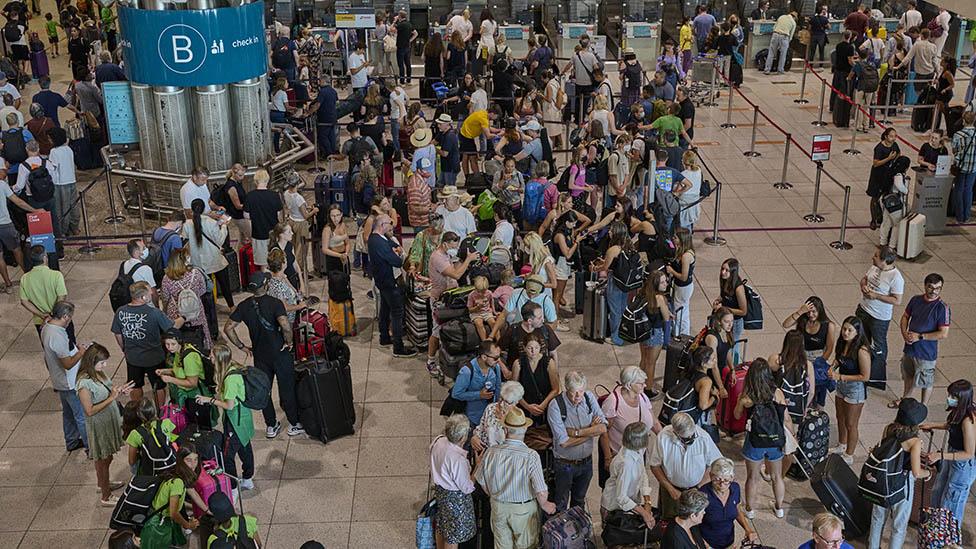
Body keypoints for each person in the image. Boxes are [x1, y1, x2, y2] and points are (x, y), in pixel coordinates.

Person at [224, 272, 303, 438]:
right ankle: (294, 424)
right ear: (266, 285)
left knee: (263, 389)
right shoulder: (275, 303)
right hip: (280, 354)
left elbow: (228, 328)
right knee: (287, 389)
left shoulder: (244, 305)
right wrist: (288, 342)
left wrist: (242, 346)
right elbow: (285, 326)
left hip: (260, 355)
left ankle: (271, 425)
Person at [474, 406, 556, 548]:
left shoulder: (490, 452)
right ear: (524, 429)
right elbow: (541, 490)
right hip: (523, 511)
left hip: (498, 507)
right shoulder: (531, 456)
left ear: (505, 430)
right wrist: (545, 505)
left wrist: (494, 495)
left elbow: (481, 480)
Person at [866, 398, 931, 549]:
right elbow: (915, 472)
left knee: (877, 519)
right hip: (902, 485)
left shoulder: (888, 428)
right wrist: (927, 473)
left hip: (883, 480)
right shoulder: (914, 442)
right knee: (898, 526)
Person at [734, 357, 790, 518]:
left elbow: (737, 416)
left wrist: (740, 402)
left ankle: (750, 510)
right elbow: (786, 418)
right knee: (776, 476)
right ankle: (779, 508)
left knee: (752, 477)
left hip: (754, 441)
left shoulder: (747, 397)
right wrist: (791, 436)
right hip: (774, 439)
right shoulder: (777, 392)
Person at [112, 281, 183, 405]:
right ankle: (160, 412)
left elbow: (118, 335)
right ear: (143, 297)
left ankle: (138, 410)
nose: (152, 293)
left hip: (133, 357)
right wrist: (184, 317)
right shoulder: (154, 313)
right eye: (150, 292)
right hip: (154, 357)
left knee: (134, 384)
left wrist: (125, 349)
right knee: (159, 386)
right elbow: (171, 328)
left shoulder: (121, 312)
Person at [76, 343, 129, 506]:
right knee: (103, 458)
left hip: (108, 419)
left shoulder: (98, 373)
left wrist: (118, 390)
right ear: (91, 362)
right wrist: (111, 398)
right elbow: (89, 410)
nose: (105, 365)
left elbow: (109, 388)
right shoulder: (84, 383)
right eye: (102, 362)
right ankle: (106, 495)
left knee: (107, 457)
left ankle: (103, 483)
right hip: (99, 424)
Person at [197, 343, 255, 492]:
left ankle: (233, 488)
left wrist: (208, 400)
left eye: (212, 356)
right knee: (245, 447)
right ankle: (248, 479)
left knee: (227, 455)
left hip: (235, 421)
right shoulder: (234, 367)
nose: (210, 358)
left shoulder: (230, 380)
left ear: (219, 360)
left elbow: (229, 405)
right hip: (244, 417)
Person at [546, 370, 606, 511]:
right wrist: (591, 430)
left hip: (586, 463)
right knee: (561, 502)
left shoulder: (589, 398)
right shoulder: (556, 406)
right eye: (574, 392)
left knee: (579, 502)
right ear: (567, 388)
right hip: (565, 464)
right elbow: (564, 442)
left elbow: (603, 427)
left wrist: (577, 432)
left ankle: (577, 531)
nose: (578, 396)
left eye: (581, 391)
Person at [921, 380, 976, 533]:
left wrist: (940, 455)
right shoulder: (958, 411)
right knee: (938, 491)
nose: (949, 398)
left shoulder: (968, 420)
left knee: (951, 503)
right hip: (952, 455)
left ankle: (948, 536)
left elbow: (968, 453)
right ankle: (936, 530)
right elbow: (952, 425)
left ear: (963, 398)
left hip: (962, 465)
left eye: (954, 396)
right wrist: (933, 425)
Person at [650, 412, 723, 519]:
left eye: (692, 436)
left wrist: (699, 487)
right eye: (686, 439)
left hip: (698, 488)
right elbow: (655, 466)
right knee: (670, 521)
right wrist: (671, 489)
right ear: (675, 432)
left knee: (696, 520)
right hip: (671, 489)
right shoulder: (663, 437)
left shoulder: (703, 437)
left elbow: (715, 464)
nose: (691, 439)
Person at [894, 273, 951, 409]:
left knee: (926, 381)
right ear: (925, 286)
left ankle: (923, 406)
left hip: (926, 352)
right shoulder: (916, 300)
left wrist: (919, 337)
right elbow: (905, 317)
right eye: (931, 287)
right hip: (910, 348)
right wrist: (904, 333)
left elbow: (943, 333)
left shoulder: (942, 308)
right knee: (908, 375)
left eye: (938, 288)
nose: (934, 291)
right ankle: (905, 399)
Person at [599, 366, 660, 487]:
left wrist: (664, 438)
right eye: (640, 383)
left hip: (638, 455)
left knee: (635, 487)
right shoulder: (613, 402)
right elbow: (604, 432)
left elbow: (654, 422)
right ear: (629, 384)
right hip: (618, 457)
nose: (644, 385)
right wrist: (607, 458)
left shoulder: (642, 397)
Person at [40, 300, 87, 453]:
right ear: (65, 316)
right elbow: (67, 363)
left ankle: (71, 440)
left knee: (68, 413)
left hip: (58, 380)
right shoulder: (57, 335)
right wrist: (81, 352)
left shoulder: (46, 327)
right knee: (81, 414)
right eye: (70, 317)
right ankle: (90, 447)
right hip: (68, 382)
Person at [367, 214, 416, 357]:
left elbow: (392, 246)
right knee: (397, 312)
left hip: (382, 281)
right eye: (390, 223)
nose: (392, 225)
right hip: (389, 282)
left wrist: (396, 248)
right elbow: (397, 261)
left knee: (385, 308)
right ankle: (398, 347)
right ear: (382, 225)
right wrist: (398, 254)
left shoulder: (375, 238)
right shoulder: (379, 243)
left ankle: (384, 337)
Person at [856, 246, 904, 390]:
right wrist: (864, 286)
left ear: (885, 261)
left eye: (876, 256)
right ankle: (860, 367)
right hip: (864, 310)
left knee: (878, 346)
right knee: (860, 339)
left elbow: (897, 300)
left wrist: (876, 296)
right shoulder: (874, 268)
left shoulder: (896, 278)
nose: (873, 257)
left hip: (879, 317)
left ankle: (876, 378)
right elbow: (864, 279)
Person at [829, 316, 872, 464]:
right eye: (844, 329)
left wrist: (840, 376)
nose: (846, 333)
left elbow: (865, 376)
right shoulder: (842, 344)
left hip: (855, 389)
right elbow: (838, 359)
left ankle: (849, 454)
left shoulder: (862, 351)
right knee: (840, 417)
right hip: (842, 384)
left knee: (851, 423)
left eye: (850, 330)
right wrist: (832, 368)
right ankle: (842, 444)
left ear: (857, 333)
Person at [430, 414, 477, 549]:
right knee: (453, 535)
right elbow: (467, 487)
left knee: (442, 526)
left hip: (441, 493)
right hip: (455, 499)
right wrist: (477, 467)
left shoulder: (438, 441)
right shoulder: (457, 459)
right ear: (462, 437)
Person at [139, 445, 201, 547]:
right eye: (189, 460)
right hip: (159, 523)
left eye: (196, 459)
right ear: (181, 461)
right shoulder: (178, 483)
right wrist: (188, 525)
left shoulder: (176, 471)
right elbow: (174, 513)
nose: (193, 464)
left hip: (159, 515)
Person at [600, 420, 655, 528]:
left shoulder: (637, 450)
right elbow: (621, 497)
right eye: (647, 435)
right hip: (614, 509)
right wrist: (644, 513)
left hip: (630, 505)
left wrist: (647, 501)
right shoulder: (626, 464)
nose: (649, 437)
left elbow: (643, 473)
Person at [183, 198, 234, 312]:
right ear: (203, 208)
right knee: (224, 284)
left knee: (205, 288)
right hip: (215, 260)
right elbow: (220, 241)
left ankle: (209, 309)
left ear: (191, 209)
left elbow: (186, 243)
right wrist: (224, 226)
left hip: (198, 263)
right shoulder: (210, 222)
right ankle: (231, 306)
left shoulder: (187, 224)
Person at [159, 248, 212, 349]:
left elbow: (165, 297)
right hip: (195, 310)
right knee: (200, 334)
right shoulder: (195, 273)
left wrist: (165, 309)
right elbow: (203, 290)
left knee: (178, 336)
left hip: (176, 313)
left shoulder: (167, 278)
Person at [700, 457, 758, 548]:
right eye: (717, 480)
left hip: (728, 541)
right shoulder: (702, 494)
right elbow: (693, 524)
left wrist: (748, 529)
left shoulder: (735, 488)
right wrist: (705, 545)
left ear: (732, 477)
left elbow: (737, 508)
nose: (722, 484)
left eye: (726, 480)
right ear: (711, 476)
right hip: (708, 543)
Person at [20, 245, 67, 337]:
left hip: (40, 321)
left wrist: (42, 315)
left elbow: (24, 301)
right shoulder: (56, 275)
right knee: (68, 347)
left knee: (48, 346)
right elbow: (62, 297)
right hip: (59, 319)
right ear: (45, 258)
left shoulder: (25, 278)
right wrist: (53, 315)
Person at [244, 169, 282, 271]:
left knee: (263, 264)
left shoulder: (250, 196)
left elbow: (247, 217)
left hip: (258, 234)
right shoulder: (274, 195)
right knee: (276, 261)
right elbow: (279, 216)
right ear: (267, 180)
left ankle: (266, 284)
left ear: (255, 181)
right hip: (274, 233)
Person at [472, 381, 524, 452]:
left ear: (516, 402)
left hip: (503, 456)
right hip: (486, 452)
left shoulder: (518, 416)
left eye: (507, 402)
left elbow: (514, 443)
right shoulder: (490, 408)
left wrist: (503, 420)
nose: (502, 404)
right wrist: (475, 437)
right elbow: (480, 428)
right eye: (501, 399)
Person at [879, 156, 911, 248]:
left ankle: (882, 242)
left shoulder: (890, 171)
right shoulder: (898, 175)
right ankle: (892, 245)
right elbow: (900, 186)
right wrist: (907, 191)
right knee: (897, 225)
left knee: (886, 223)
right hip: (895, 203)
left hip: (886, 200)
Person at [712, 258, 748, 342]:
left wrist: (724, 309)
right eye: (722, 269)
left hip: (734, 321)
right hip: (724, 317)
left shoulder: (738, 289)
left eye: (726, 270)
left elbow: (743, 311)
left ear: (733, 272)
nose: (723, 272)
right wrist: (718, 300)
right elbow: (724, 295)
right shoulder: (724, 280)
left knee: (733, 346)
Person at [214, 163, 250, 244]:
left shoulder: (237, 182)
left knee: (243, 238)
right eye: (240, 175)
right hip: (238, 216)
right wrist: (251, 205)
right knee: (250, 236)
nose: (242, 177)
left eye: (243, 175)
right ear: (234, 173)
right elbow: (237, 206)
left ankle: (242, 254)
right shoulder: (231, 186)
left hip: (240, 214)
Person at [950, 111, 976, 223]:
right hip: (974, 167)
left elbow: (954, 150)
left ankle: (959, 217)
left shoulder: (958, 135)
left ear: (963, 121)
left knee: (958, 190)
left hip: (960, 166)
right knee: (969, 190)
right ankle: (967, 216)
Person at [320, 205, 351, 275]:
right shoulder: (327, 229)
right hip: (333, 258)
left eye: (337, 215)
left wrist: (346, 253)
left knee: (346, 280)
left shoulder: (343, 225)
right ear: (329, 216)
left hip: (344, 256)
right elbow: (324, 249)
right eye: (333, 216)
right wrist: (339, 255)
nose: (335, 218)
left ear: (341, 214)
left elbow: (347, 243)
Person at [394, 10, 418, 85]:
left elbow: (391, 29)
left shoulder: (400, 25)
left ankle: (402, 82)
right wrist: (410, 40)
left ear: (400, 16)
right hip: (407, 47)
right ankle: (408, 80)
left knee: (401, 65)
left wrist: (395, 21)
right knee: (408, 64)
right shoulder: (409, 24)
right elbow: (416, 33)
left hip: (400, 47)